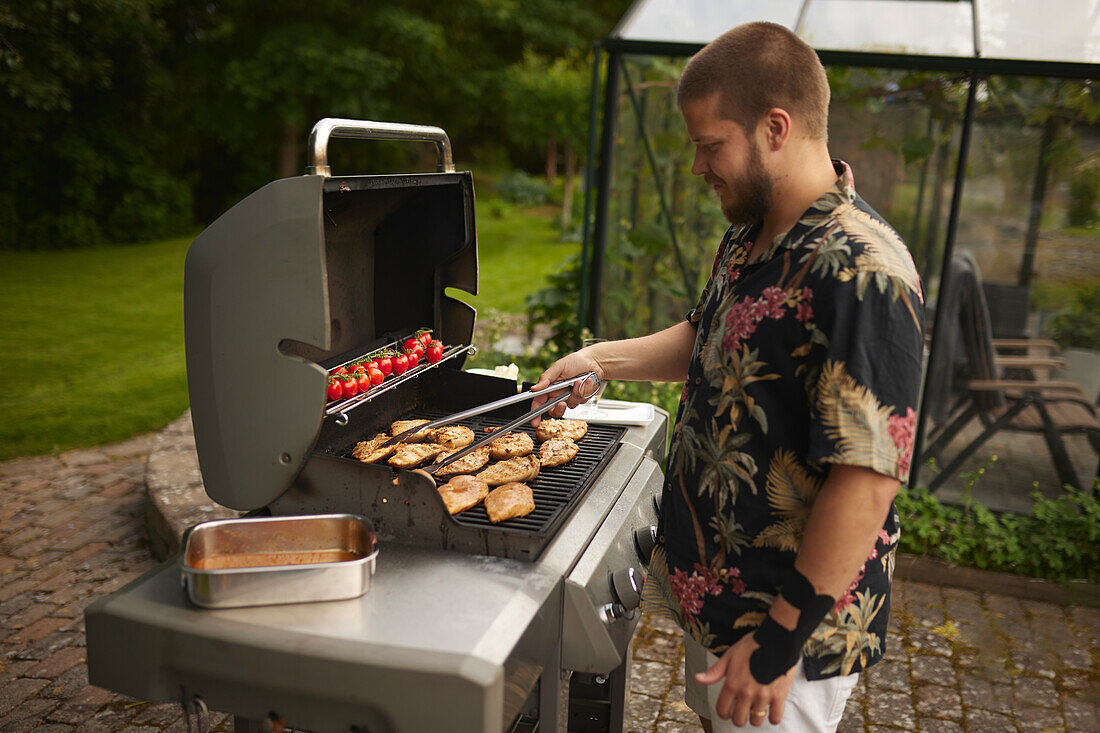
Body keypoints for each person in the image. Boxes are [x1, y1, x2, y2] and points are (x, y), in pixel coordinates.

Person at [532, 22, 924, 733]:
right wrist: (600, 360)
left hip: (785, 623)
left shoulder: (864, 271)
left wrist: (776, 639)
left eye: (711, 146)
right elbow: (709, 335)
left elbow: (868, 480)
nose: (698, 167)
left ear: (776, 126)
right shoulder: (752, 233)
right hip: (717, 594)